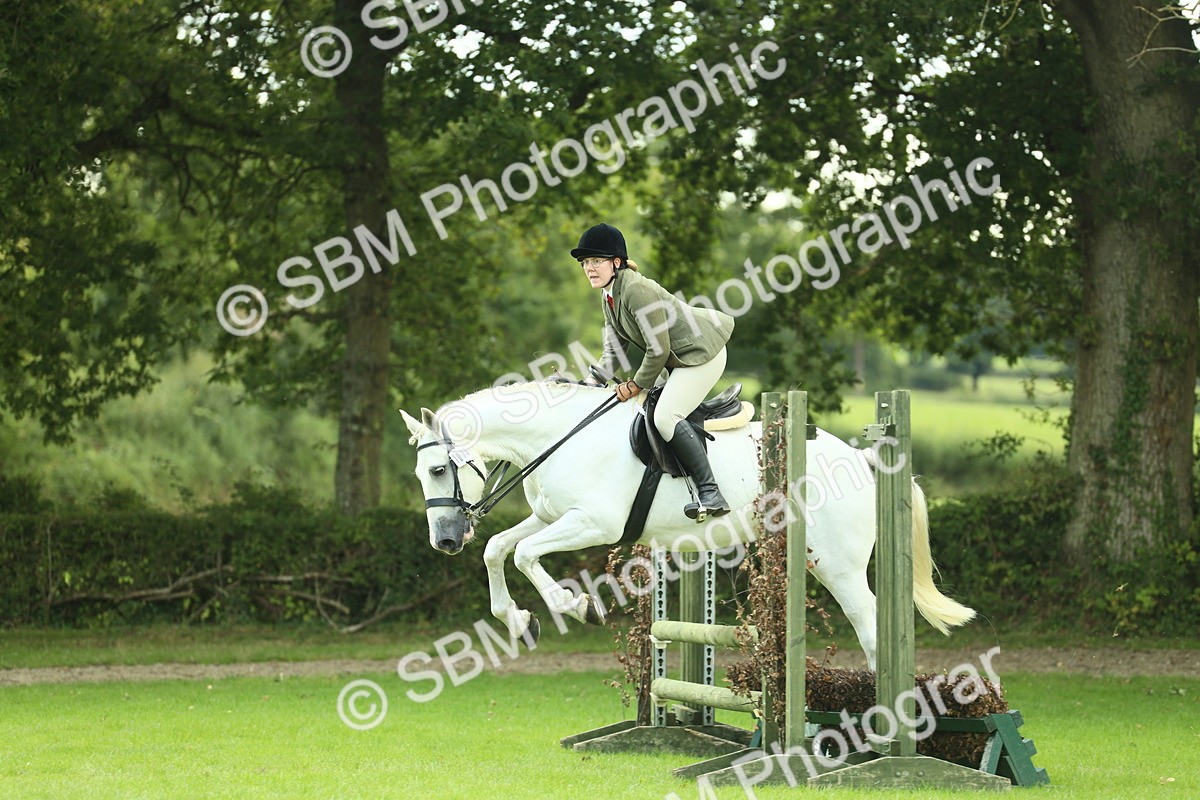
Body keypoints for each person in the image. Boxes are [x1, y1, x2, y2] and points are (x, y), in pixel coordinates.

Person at [571, 222, 735, 520]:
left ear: (616, 263)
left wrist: (633, 385)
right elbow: (615, 350)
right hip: (674, 357)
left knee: (664, 416)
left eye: (596, 261)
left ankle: (711, 492)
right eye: (585, 263)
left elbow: (657, 349)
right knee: (641, 411)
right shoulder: (609, 295)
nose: (589, 268)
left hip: (700, 354)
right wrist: (589, 383)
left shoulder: (636, 290)